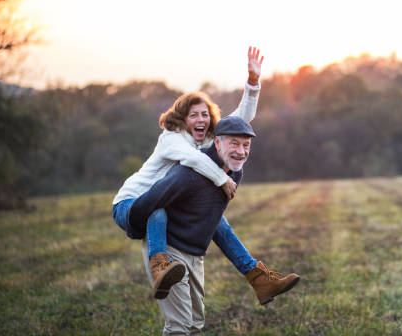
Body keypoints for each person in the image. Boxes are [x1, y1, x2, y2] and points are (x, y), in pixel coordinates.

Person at [112, 47, 299, 303]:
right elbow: (192, 159)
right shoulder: (172, 139)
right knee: (159, 209)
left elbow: (240, 121)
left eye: (205, 115)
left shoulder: (206, 140)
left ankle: (257, 277)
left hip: (164, 200)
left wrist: (253, 82)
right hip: (132, 203)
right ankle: (160, 267)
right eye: (194, 115)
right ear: (182, 119)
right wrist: (222, 179)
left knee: (216, 220)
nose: (201, 119)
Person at [128, 116, 299, 334]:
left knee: (195, 324)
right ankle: (163, 264)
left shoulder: (235, 172)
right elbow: (150, 201)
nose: (241, 151)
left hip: (194, 252)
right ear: (217, 143)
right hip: (169, 250)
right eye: (234, 144)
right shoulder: (186, 175)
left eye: (246, 145)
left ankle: (258, 278)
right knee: (179, 326)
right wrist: (134, 228)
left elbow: (213, 217)